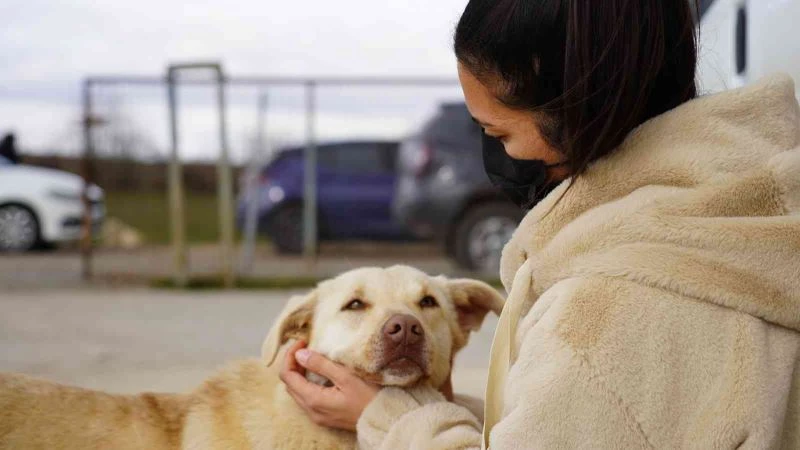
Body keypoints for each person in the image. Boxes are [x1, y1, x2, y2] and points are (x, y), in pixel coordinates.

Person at [280, 0, 800, 447]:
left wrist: (389, 421)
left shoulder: (608, 305)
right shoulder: (747, 214)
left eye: (499, 134)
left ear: (576, 101)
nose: (501, 159)